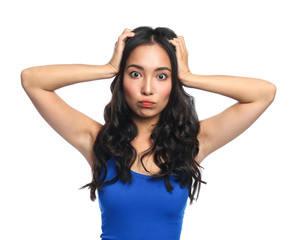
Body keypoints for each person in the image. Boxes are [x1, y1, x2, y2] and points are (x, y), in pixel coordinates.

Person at [21, 26, 276, 240]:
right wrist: (108, 68)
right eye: (135, 74)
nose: (147, 88)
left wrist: (188, 76)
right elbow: (32, 80)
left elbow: (263, 93)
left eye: (162, 76)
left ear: (173, 82)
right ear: (122, 79)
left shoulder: (193, 143)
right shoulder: (98, 141)